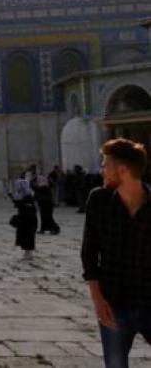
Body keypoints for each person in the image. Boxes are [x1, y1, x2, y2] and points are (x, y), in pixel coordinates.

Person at [82, 139, 151, 367]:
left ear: (122, 170)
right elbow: (89, 251)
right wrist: (97, 297)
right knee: (115, 363)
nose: (102, 170)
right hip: (114, 302)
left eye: (105, 165)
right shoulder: (99, 201)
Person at [11, 174, 38, 260]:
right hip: (25, 219)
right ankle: (27, 252)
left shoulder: (27, 196)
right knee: (25, 236)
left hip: (28, 220)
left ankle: (28, 253)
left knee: (28, 236)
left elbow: (25, 206)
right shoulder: (24, 195)